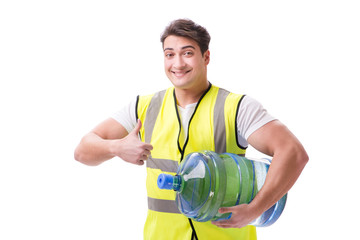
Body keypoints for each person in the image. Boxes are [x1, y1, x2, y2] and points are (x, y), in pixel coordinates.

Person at [74, 19, 308, 240]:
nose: (178, 64)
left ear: (206, 57)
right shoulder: (144, 107)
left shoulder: (236, 107)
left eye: (187, 53)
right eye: (170, 55)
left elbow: (293, 153)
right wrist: (116, 147)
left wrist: (256, 209)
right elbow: (83, 151)